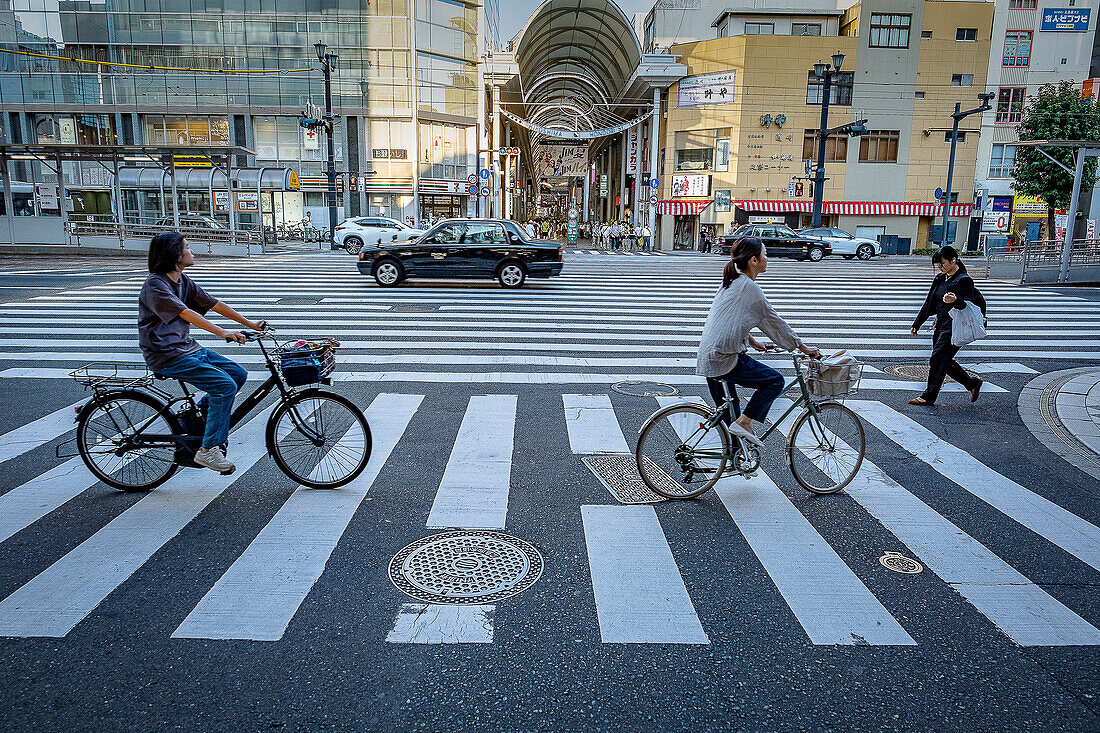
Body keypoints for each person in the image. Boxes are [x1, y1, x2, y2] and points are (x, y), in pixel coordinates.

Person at [138, 232, 265, 474]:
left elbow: (213, 304)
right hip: (166, 354)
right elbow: (187, 314)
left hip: (186, 347)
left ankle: (204, 418)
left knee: (237, 374)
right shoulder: (156, 284)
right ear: (176, 254)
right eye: (187, 247)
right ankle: (209, 449)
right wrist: (223, 333)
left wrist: (251, 325)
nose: (192, 250)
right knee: (224, 386)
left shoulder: (182, 281)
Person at [697, 237, 821, 444]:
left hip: (708, 356)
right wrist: (803, 347)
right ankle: (746, 422)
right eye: (765, 255)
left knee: (731, 421)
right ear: (754, 260)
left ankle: (733, 461)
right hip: (724, 358)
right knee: (774, 381)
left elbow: (733, 320)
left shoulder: (732, 281)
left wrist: (753, 343)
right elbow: (774, 322)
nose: (767, 259)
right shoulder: (749, 287)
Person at [908, 245, 986, 406]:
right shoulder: (940, 278)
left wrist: (955, 301)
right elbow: (929, 302)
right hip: (941, 324)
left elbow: (967, 305)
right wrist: (918, 322)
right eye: (938, 264)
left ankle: (929, 396)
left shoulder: (963, 280)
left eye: (942, 263)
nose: (940, 266)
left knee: (937, 359)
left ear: (954, 260)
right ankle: (971, 383)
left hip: (955, 326)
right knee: (942, 359)